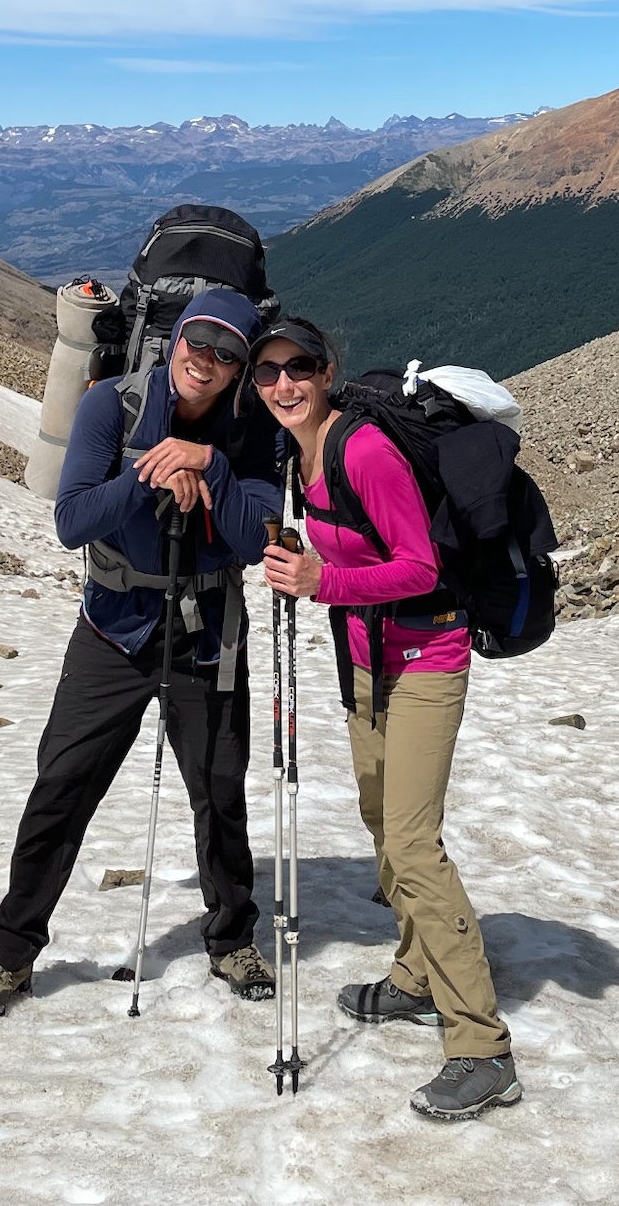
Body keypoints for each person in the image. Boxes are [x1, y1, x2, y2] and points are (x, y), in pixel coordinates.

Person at [0, 289, 282, 1019]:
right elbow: (72, 520)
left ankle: (232, 938)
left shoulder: (251, 427)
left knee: (219, 790)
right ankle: (9, 953)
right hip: (113, 626)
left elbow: (257, 538)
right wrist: (149, 476)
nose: (208, 359)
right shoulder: (113, 406)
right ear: (175, 340)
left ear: (240, 368)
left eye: (228, 352)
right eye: (199, 341)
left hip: (207, 630)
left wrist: (213, 469)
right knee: (62, 785)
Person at [254, 317, 522, 1123]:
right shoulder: (295, 452)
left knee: (409, 839)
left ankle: (482, 1045)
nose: (283, 385)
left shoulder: (361, 449)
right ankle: (415, 974)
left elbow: (421, 564)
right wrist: (310, 560)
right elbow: (354, 551)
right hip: (369, 657)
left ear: (326, 370)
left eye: (297, 367)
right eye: (266, 373)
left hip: (427, 656)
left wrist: (319, 581)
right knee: (380, 817)